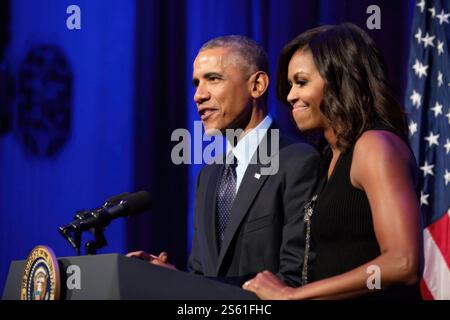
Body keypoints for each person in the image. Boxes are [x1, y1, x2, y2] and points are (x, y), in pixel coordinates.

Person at [242, 23, 422, 299]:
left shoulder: (375, 146)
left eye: (301, 82)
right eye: (290, 85)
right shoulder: (329, 157)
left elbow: (403, 263)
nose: (290, 96)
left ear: (341, 79)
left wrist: (292, 296)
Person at [127, 35, 325, 287]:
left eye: (213, 79)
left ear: (257, 85)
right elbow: (203, 279)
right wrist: (170, 276)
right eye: (196, 83)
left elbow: (296, 278)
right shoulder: (208, 176)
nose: (198, 95)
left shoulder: (297, 162)